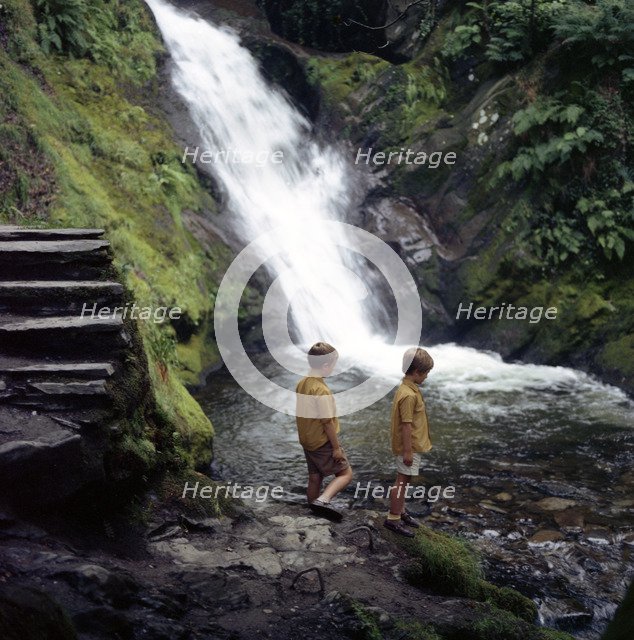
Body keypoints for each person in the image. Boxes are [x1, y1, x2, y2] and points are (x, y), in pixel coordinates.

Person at [296, 342, 353, 521]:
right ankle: (323, 500)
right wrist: (336, 448)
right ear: (326, 366)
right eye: (333, 365)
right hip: (322, 441)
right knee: (345, 474)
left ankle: (313, 510)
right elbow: (327, 422)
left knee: (315, 476)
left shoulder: (303, 382)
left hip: (307, 440)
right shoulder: (321, 389)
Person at [384, 347, 434, 537]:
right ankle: (393, 518)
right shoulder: (408, 395)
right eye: (426, 373)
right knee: (402, 481)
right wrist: (407, 452)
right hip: (409, 446)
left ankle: (401, 511)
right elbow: (406, 425)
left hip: (411, 446)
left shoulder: (407, 388)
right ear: (416, 372)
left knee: (405, 479)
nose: (427, 377)